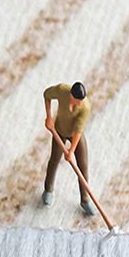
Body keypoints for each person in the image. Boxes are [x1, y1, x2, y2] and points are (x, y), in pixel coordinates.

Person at [41, 81, 95, 216]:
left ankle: (85, 200)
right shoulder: (61, 90)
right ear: (71, 96)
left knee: (83, 165)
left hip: (75, 135)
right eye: (78, 101)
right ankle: (48, 189)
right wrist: (49, 117)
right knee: (54, 159)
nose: (80, 103)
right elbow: (46, 95)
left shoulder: (85, 107)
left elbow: (78, 130)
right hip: (59, 130)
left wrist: (71, 151)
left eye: (81, 101)